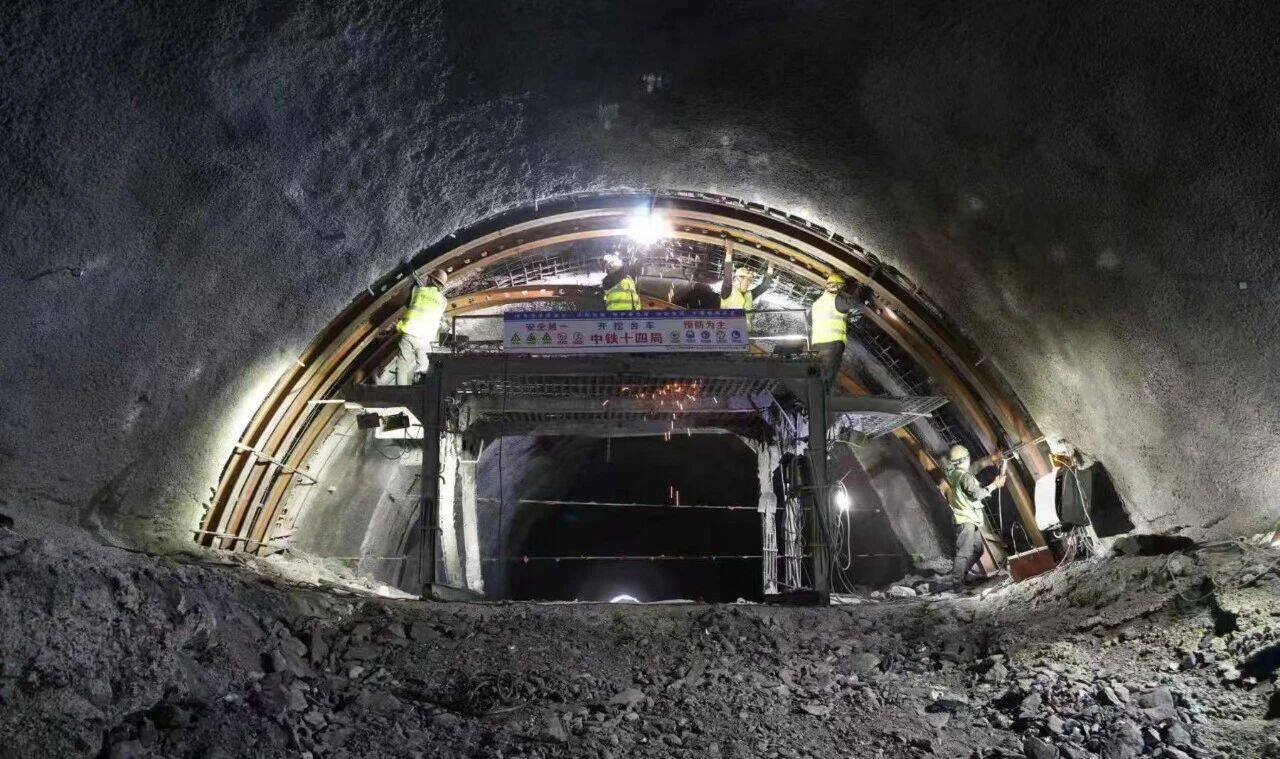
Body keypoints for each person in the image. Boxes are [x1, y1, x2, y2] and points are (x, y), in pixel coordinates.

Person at [942, 445, 1007, 588]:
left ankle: (961, 576)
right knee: (964, 551)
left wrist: (992, 459)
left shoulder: (954, 474)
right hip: (966, 519)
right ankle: (956, 584)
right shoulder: (964, 477)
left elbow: (974, 470)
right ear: (966, 459)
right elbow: (977, 494)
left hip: (969, 518)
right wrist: (995, 485)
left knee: (978, 550)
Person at [385, 267, 448, 385]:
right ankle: (421, 388)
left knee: (402, 365)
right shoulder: (444, 301)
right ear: (441, 285)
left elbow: (412, 298)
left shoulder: (418, 290)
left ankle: (401, 390)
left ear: (430, 279)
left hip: (410, 333)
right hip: (425, 339)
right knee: (423, 366)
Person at [810, 273, 856, 384]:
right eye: (842, 288)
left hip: (819, 343)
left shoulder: (817, 303)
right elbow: (855, 302)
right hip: (830, 345)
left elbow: (809, 320)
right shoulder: (836, 300)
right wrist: (861, 288)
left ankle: (818, 390)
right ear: (838, 286)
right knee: (828, 373)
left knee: (822, 374)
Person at [720, 242, 774, 315]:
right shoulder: (749, 296)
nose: (748, 283)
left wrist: (729, 251)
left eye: (743, 278)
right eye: (748, 281)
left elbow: (727, 274)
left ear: (735, 279)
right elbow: (765, 285)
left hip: (740, 263)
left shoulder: (727, 293)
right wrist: (771, 265)